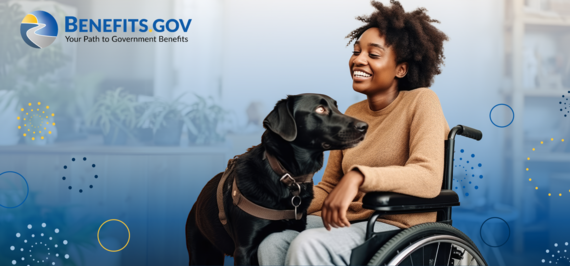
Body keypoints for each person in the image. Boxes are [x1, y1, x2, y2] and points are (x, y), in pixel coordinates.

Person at [257, 1, 450, 265]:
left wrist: (359, 176)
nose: (358, 59)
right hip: (348, 220)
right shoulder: (353, 112)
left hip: (395, 225)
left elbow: (427, 177)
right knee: (271, 242)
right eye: (357, 51)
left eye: (373, 54)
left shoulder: (422, 101)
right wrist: (281, 205)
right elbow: (329, 186)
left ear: (401, 69)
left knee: (308, 245)